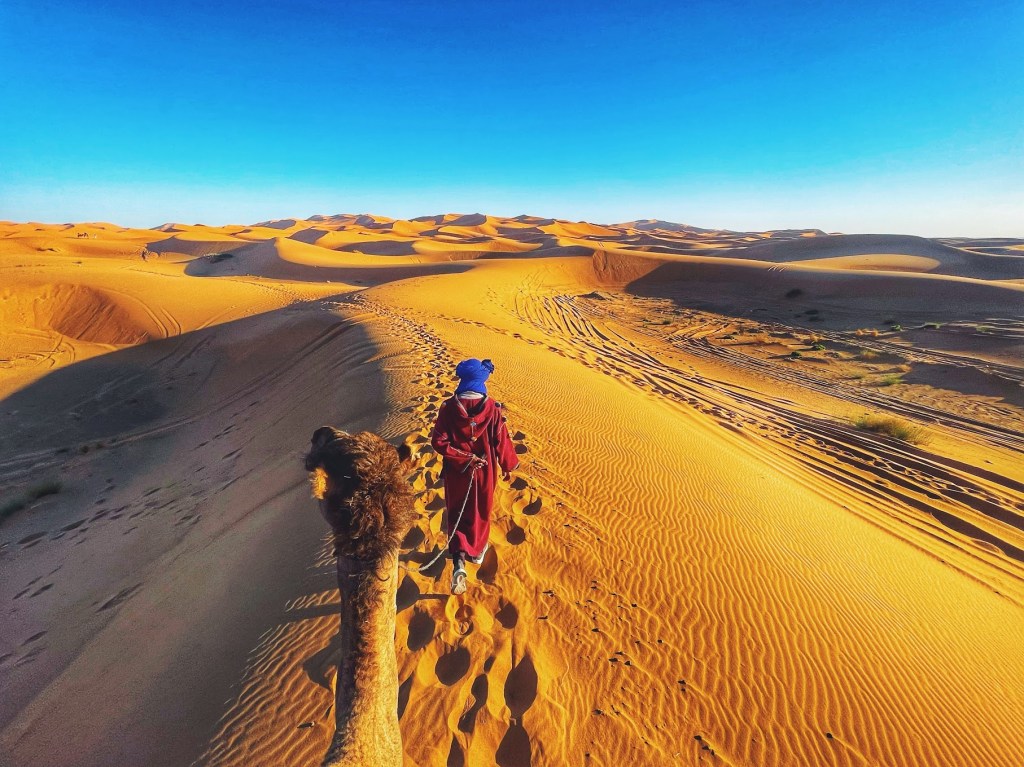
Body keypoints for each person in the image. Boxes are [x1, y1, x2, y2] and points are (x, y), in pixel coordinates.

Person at [430, 358, 519, 594]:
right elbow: (502, 440)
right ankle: (476, 553)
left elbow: (438, 441)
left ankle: (458, 561)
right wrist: (509, 465)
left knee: (457, 512)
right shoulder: (492, 409)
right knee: (479, 512)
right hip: (485, 472)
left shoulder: (448, 408)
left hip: (457, 473)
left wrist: (462, 457)